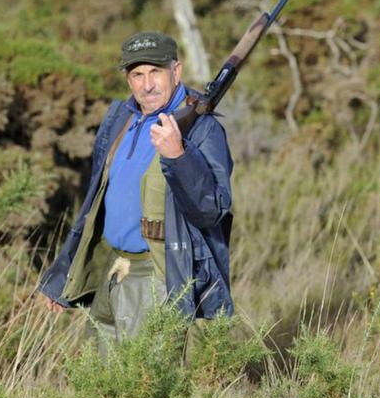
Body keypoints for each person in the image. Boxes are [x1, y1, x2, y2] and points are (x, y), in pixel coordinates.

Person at [36, 31, 234, 353]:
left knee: (143, 385)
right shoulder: (122, 119)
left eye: (156, 71)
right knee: (96, 380)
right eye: (137, 74)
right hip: (111, 268)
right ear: (128, 80)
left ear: (176, 71)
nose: (147, 84)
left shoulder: (202, 129)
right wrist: (62, 275)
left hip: (155, 274)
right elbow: (93, 204)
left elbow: (212, 210)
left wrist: (179, 157)